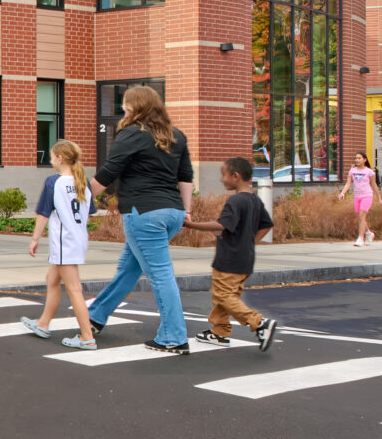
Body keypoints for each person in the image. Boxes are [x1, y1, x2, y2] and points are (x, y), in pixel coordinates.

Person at [84, 85, 196, 354]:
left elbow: (110, 170)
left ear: (135, 107)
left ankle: (174, 337)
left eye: (126, 104)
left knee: (160, 275)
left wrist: (81, 199)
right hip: (172, 213)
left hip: (143, 213)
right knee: (129, 269)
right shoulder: (176, 136)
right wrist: (187, 211)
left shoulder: (131, 133)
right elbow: (186, 177)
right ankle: (96, 316)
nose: (123, 109)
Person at [184, 155, 279, 351]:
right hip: (245, 257)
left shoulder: (235, 201)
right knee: (227, 295)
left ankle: (259, 323)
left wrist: (190, 224)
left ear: (235, 176)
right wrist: (250, 241)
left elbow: (221, 224)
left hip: (229, 258)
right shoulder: (254, 199)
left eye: (223, 175)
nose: (221, 179)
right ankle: (219, 331)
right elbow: (267, 225)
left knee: (223, 295)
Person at [21, 139, 96, 350]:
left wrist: (35, 238)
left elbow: (43, 214)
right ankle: (43, 323)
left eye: (52, 157)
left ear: (60, 158)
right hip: (78, 239)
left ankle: (87, 336)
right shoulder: (83, 182)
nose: (51, 161)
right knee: (52, 279)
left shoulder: (53, 182)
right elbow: (89, 211)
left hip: (64, 242)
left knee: (74, 289)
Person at [346, 152, 377, 246]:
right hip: (357, 196)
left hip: (367, 196)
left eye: (359, 158)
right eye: (356, 158)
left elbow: (374, 185)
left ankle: (360, 238)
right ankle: (368, 232)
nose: (357, 160)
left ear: (364, 159)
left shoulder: (369, 172)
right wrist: (342, 193)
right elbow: (348, 184)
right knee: (360, 218)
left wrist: (379, 197)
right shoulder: (352, 171)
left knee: (361, 216)